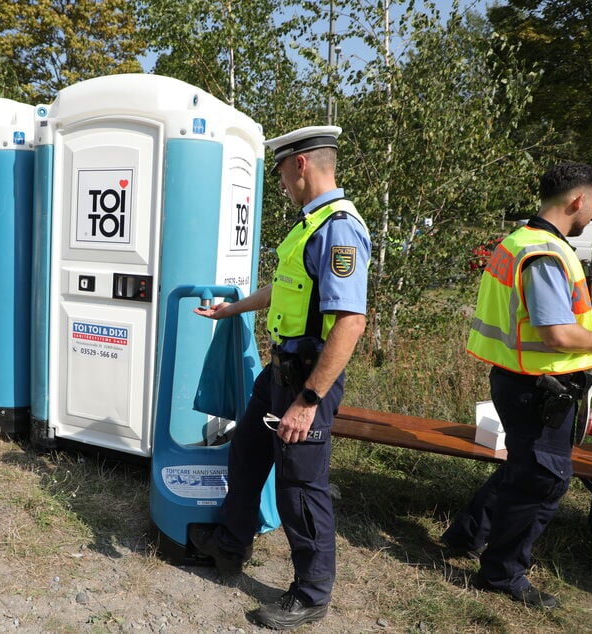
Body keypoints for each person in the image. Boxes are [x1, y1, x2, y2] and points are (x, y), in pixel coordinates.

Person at [190, 125, 370, 631]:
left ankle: (312, 593)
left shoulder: (339, 228)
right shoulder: (309, 225)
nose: (283, 184)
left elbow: (351, 321)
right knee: (246, 453)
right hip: (280, 374)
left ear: (301, 165)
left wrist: (309, 399)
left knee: (300, 487)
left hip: (307, 381)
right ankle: (230, 545)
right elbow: (285, 288)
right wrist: (234, 310)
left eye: (283, 173)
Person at [442, 162, 592, 609]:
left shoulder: (521, 240)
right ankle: (502, 573)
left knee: (523, 467)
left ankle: (464, 536)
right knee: (544, 480)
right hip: (541, 389)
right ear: (576, 201)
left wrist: (591, 302)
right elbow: (557, 334)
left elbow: (543, 316)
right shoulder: (545, 253)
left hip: (519, 381)